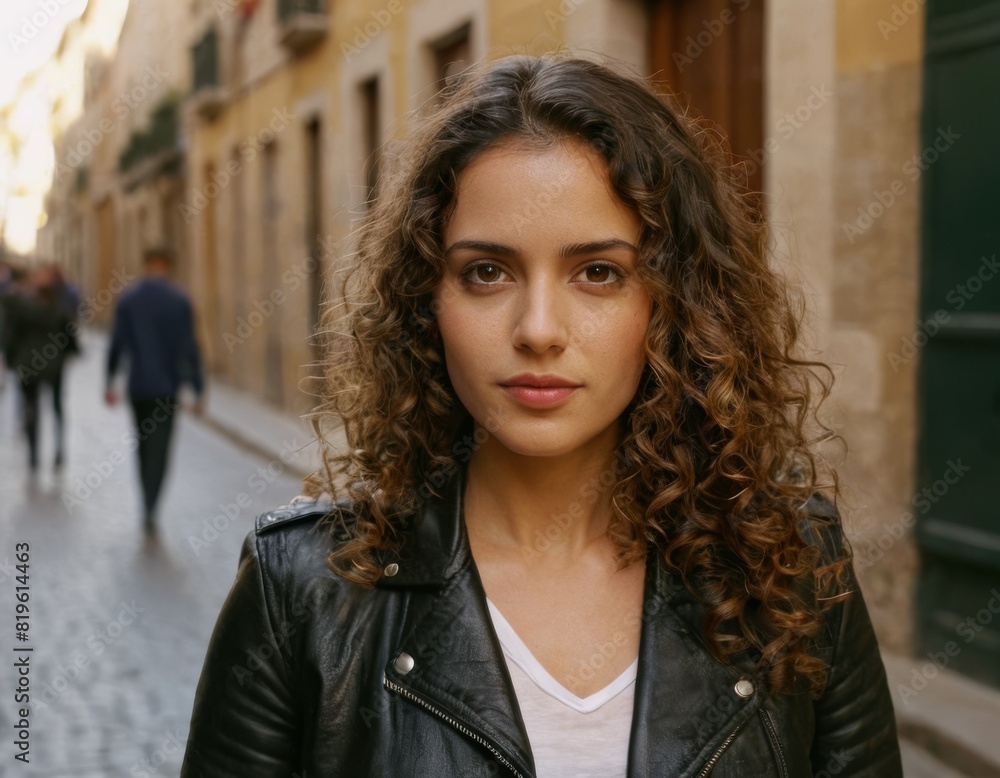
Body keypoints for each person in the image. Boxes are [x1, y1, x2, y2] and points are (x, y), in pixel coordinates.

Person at [181, 55, 902, 776]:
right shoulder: (301, 591)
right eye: (487, 272)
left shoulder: (793, 565)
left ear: (674, 302)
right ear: (427, 302)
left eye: (598, 273)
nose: (539, 329)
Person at [106, 247, 204, 533]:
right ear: (167, 265)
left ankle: (146, 500)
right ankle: (152, 503)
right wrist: (197, 388)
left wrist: (110, 380)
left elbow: (118, 343)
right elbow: (190, 346)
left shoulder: (129, 300)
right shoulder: (179, 301)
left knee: (143, 443)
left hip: (139, 386)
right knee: (161, 448)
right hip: (168, 388)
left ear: (146, 264)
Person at [2, 266, 79, 471]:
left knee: (31, 409)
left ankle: (34, 455)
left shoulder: (24, 311)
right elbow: (71, 342)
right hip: (54, 368)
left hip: (29, 366)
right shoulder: (59, 313)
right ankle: (59, 449)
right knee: (57, 408)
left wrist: (10, 362)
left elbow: (10, 339)